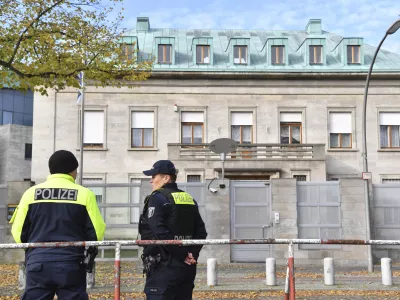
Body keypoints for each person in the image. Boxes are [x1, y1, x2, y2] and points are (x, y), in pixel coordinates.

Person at [10, 150, 106, 300]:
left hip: (38, 263)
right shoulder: (84, 194)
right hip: (71, 264)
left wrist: (35, 251)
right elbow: (97, 233)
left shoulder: (30, 193)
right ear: (72, 171)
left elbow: (18, 234)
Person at [139, 160, 207, 300]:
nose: (151, 181)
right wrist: (192, 254)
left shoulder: (157, 198)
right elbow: (201, 232)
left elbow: (159, 231)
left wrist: (182, 255)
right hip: (187, 268)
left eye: (154, 177)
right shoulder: (188, 198)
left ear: (166, 178)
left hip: (163, 266)